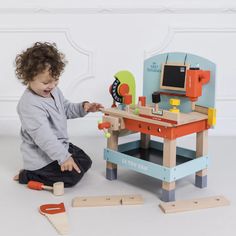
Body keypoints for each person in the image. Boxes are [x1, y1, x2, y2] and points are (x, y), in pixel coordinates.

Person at [14, 42, 103, 187]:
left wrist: (84, 107)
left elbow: (65, 108)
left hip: (58, 145)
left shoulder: (53, 90)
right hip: (41, 158)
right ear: (29, 78)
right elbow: (44, 137)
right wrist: (63, 157)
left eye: (56, 80)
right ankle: (28, 175)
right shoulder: (29, 105)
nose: (52, 85)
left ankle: (65, 156)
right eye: (46, 82)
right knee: (72, 177)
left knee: (86, 161)